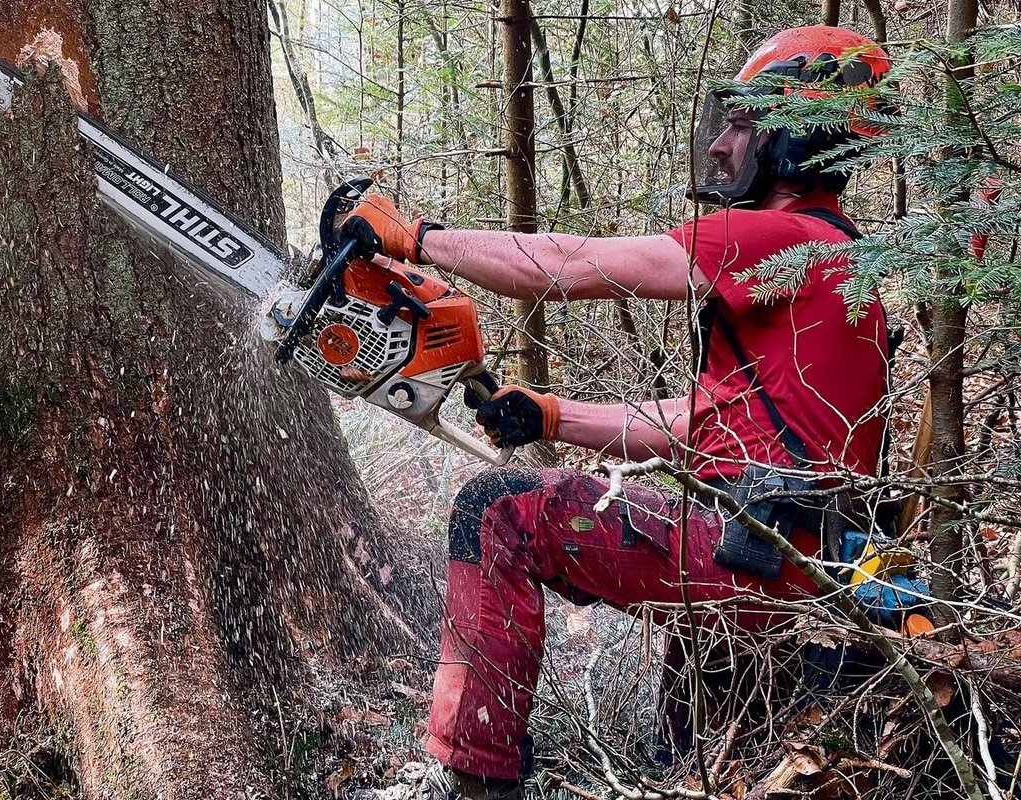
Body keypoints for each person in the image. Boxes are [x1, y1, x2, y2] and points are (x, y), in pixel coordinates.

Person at [342, 25, 894, 800]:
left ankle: (476, 780)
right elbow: (702, 417)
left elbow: (567, 267)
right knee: (700, 763)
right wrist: (554, 415)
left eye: (740, 125)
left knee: (496, 510)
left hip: (755, 559)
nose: (719, 147)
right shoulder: (842, 261)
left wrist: (418, 238)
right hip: (798, 565)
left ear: (795, 132)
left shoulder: (778, 237)